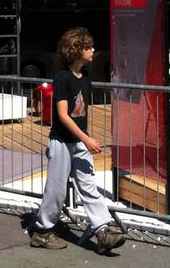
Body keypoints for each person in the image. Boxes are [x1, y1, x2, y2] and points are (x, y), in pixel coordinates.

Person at [30, 27, 126, 254]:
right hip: (62, 142)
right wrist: (87, 139)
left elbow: (81, 113)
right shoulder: (62, 78)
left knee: (89, 185)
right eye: (88, 47)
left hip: (79, 143)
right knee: (56, 190)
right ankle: (42, 231)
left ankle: (102, 230)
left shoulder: (86, 79)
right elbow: (62, 115)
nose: (93, 50)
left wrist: (84, 140)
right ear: (75, 51)